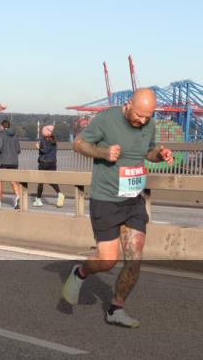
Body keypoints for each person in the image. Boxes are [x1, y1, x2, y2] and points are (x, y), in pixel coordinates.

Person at [62, 88, 173, 329]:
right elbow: (79, 144)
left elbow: (148, 152)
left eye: (148, 116)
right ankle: (80, 272)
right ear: (129, 104)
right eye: (140, 115)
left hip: (133, 200)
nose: (143, 121)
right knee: (107, 261)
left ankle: (116, 309)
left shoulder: (149, 124)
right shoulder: (106, 119)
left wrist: (160, 154)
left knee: (134, 258)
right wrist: (103, 152)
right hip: (106, 199)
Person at [0, 119, 22, 209]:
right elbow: (18, 150)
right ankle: (18, 197)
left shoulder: (0, 135)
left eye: (0, 126)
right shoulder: (15, 136)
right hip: (14, 162)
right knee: (13, 181)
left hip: (3, 162)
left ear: (2, 126)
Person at [34, 125, 65, 208]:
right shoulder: (53, 139)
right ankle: (59, 193)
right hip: (53, 162)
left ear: (44, 132)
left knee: (40, 182)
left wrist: (38, 147)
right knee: (52, 180)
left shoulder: (43, 139)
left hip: (44, 162)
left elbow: (45, 150)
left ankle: (38, 200)